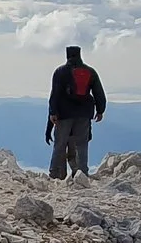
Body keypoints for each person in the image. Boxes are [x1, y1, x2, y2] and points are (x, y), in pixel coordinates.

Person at [46, 44, 107, 179]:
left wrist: (53, 112)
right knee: (81, 144)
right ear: (80, 55)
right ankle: (82, 174)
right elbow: (98, 92)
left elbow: (55, 93)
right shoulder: (91, 71)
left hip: (64, 114)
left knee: (60, 144)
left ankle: (56, 174)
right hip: (84, 114)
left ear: (67, 55)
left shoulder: (60, 71)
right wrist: (100, 110)